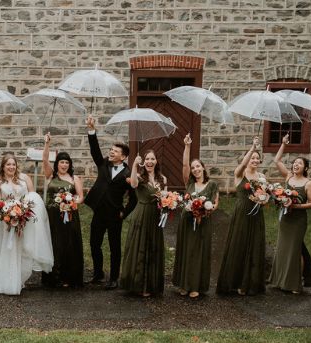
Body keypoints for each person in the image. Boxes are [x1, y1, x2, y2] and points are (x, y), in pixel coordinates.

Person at [84, 115, 137, 289]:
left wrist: (124, 212)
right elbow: (94, 150)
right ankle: (98, 274)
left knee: (115, 247)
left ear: (123, 157)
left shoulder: (129, 174)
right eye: (112, 149)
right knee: (94, 244)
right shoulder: (104, 164)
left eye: (115, 151)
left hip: (115, 214)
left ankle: (114, 278)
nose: (112, 152)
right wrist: (92, 130)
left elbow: (134, 198)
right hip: (99, 211)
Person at [0, 154, 53, 295]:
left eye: (13, 164)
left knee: (24, 249)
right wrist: (9, 214)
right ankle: (6, 282)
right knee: (8, 250)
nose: (11, 167)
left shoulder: (25, 179)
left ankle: (20, 280)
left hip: (24, 221)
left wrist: (23, 214)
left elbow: (33, 198)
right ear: (3, 166)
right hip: (6, 223)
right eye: (8, 164)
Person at [217, 136, 267, 296]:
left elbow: (266, 199)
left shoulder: (262, 178)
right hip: (242, 213)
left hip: (257, 214)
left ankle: (249, 284)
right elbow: (242, 165)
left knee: (254, 246)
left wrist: (262, 200)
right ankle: (234, 282)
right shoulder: (239, 174)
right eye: (252, 157)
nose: (255, 160)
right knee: (239, 245)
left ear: (260, 162)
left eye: (257, 158)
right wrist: (253, 147)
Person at [172, 133, 219, 298]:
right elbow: (184, 165)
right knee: (187, 251)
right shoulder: (189, 183)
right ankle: (184, 284)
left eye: (198, 166)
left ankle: (195, 286)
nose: (195, 169)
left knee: (198, 252)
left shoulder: (212, 184)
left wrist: (204, 211)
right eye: (193, 168)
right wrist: (187, 146)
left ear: (203, 167)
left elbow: (215, 203)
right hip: (187, 221)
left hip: (203, 223)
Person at [268, 134, 311, 294]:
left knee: (295, 250)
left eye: (300, 163)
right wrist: (283, 144)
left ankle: (296, 283)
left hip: (298, 221)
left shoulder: (308, 184)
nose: (296, 165)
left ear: (305, 168)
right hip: (285, 219)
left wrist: (296, 206)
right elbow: (277, 161)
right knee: (282, 248)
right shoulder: (288, 177)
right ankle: (279, 280)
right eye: (295, 163)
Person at [119, 150, 166, 297]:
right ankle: (138, 284)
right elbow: (133, 184)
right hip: (141, 213)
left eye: (152, 159)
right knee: (139, 246)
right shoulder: (140, 176)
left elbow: (165, 196)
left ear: (156, 161)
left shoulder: (162, 178)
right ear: (143, 161)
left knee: (153, 247)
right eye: (147, 159)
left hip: (155, 216)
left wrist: (168, 202)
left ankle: (151, 285)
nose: (150, 161)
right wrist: (134, 165)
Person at [42, 132, 84, 288]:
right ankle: (53, 277)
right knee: (55, 243)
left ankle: (69, 277)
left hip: (70, 215)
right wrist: (47, 144)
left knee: (69, 244)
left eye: (67, 162)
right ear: (57, 164)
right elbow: (45, 160)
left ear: (70, 164)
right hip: (53, 215)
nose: (64, 165)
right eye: (61, 162)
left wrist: (72, 202)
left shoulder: (75, 179)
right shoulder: (50, 176)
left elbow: (81, 197)